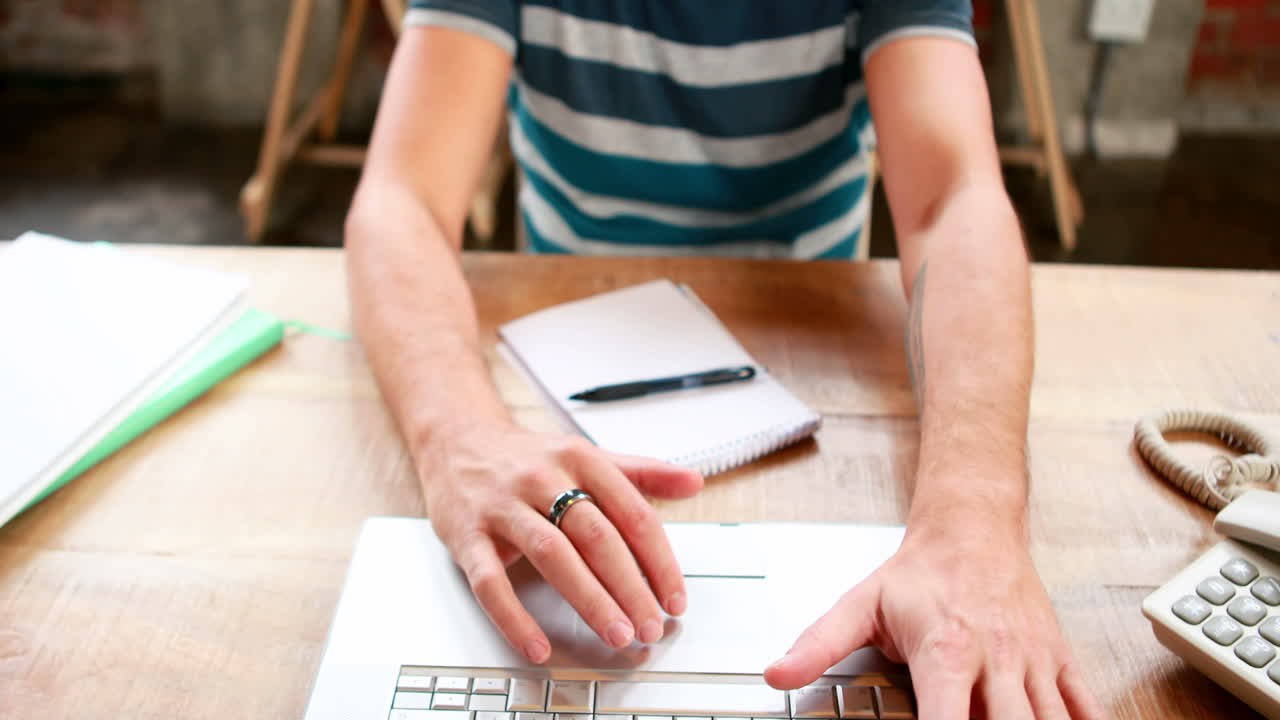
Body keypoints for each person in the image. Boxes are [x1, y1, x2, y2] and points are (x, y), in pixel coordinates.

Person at [345, 2, 1106, 718]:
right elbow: (402, 197)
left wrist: (974, 515)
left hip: (815, 374)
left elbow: (954, 200)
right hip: (557, 376)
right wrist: (458, 433)